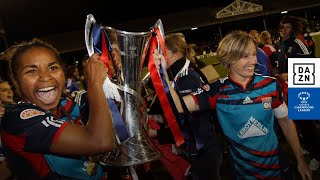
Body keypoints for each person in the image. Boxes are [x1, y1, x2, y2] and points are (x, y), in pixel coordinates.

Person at [153, 30, 312, 180]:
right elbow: (180, 106)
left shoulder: (270, 85)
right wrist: (163, 74)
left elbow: (286, 122)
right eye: (245, 56)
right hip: (243, 173)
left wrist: (300, 159)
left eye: (254, 54)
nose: (254, 61)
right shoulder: (217, 91)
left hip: (278, 169)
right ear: (229, 59)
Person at [0, 38, 115, 179]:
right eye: (31, 71)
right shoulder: (19, 119)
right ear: (16, 81)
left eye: (53, 68)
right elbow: (100, 141)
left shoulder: (68, 106)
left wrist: (116, 71)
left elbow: (117, 125)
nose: (45, 76)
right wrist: (94, 83)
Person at [148, 32, 223, 180]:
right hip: (198, 145)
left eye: (164, 52)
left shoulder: (187, 77)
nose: (162, 56)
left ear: (176, 53)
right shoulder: (179, 74)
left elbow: (189, 120)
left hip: (204, 146)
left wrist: (157, 134)